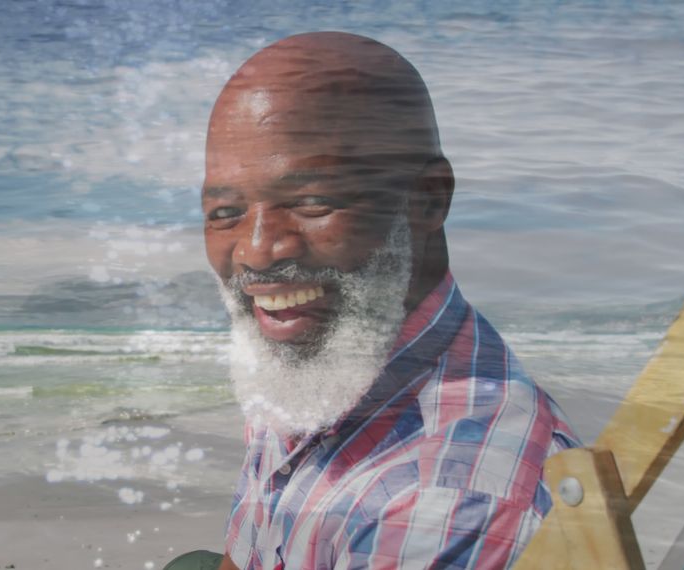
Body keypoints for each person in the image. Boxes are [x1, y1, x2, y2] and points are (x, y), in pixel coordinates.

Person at [165, 32, 579, 570]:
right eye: (225, 212)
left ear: (428, 199)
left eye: (313, 201)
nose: (258, 251)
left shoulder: (448, 503)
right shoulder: (322, 353)